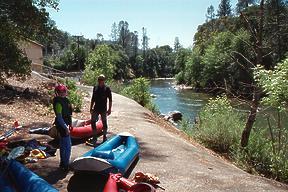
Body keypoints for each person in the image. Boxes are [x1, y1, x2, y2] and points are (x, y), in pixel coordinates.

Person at [53, 84, 72, 171]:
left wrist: (70, 124)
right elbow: (59, 118)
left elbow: (69, 114)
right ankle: (66, 164)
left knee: (63, 144)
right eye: (60, 92)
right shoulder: (58, 103)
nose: (62, 93)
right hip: (62, 125)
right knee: (67, 145)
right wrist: (65, 127)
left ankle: (62, 163)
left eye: (63, 91)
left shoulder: (66, 101)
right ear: (57, 93)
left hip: (66, 124)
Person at [89, 74, 112, 145]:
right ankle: (94, 137)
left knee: (104, 122)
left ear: (104, 80)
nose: (100, 81)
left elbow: (110, 99)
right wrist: (91, 107)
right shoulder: (95, 88)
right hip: (96, 108)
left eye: (101, 80)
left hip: (103, 109)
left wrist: (109, 109)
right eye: (99, 80)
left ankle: (104, 136)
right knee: (93, 122)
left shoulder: (107, 88)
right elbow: (93, 98)